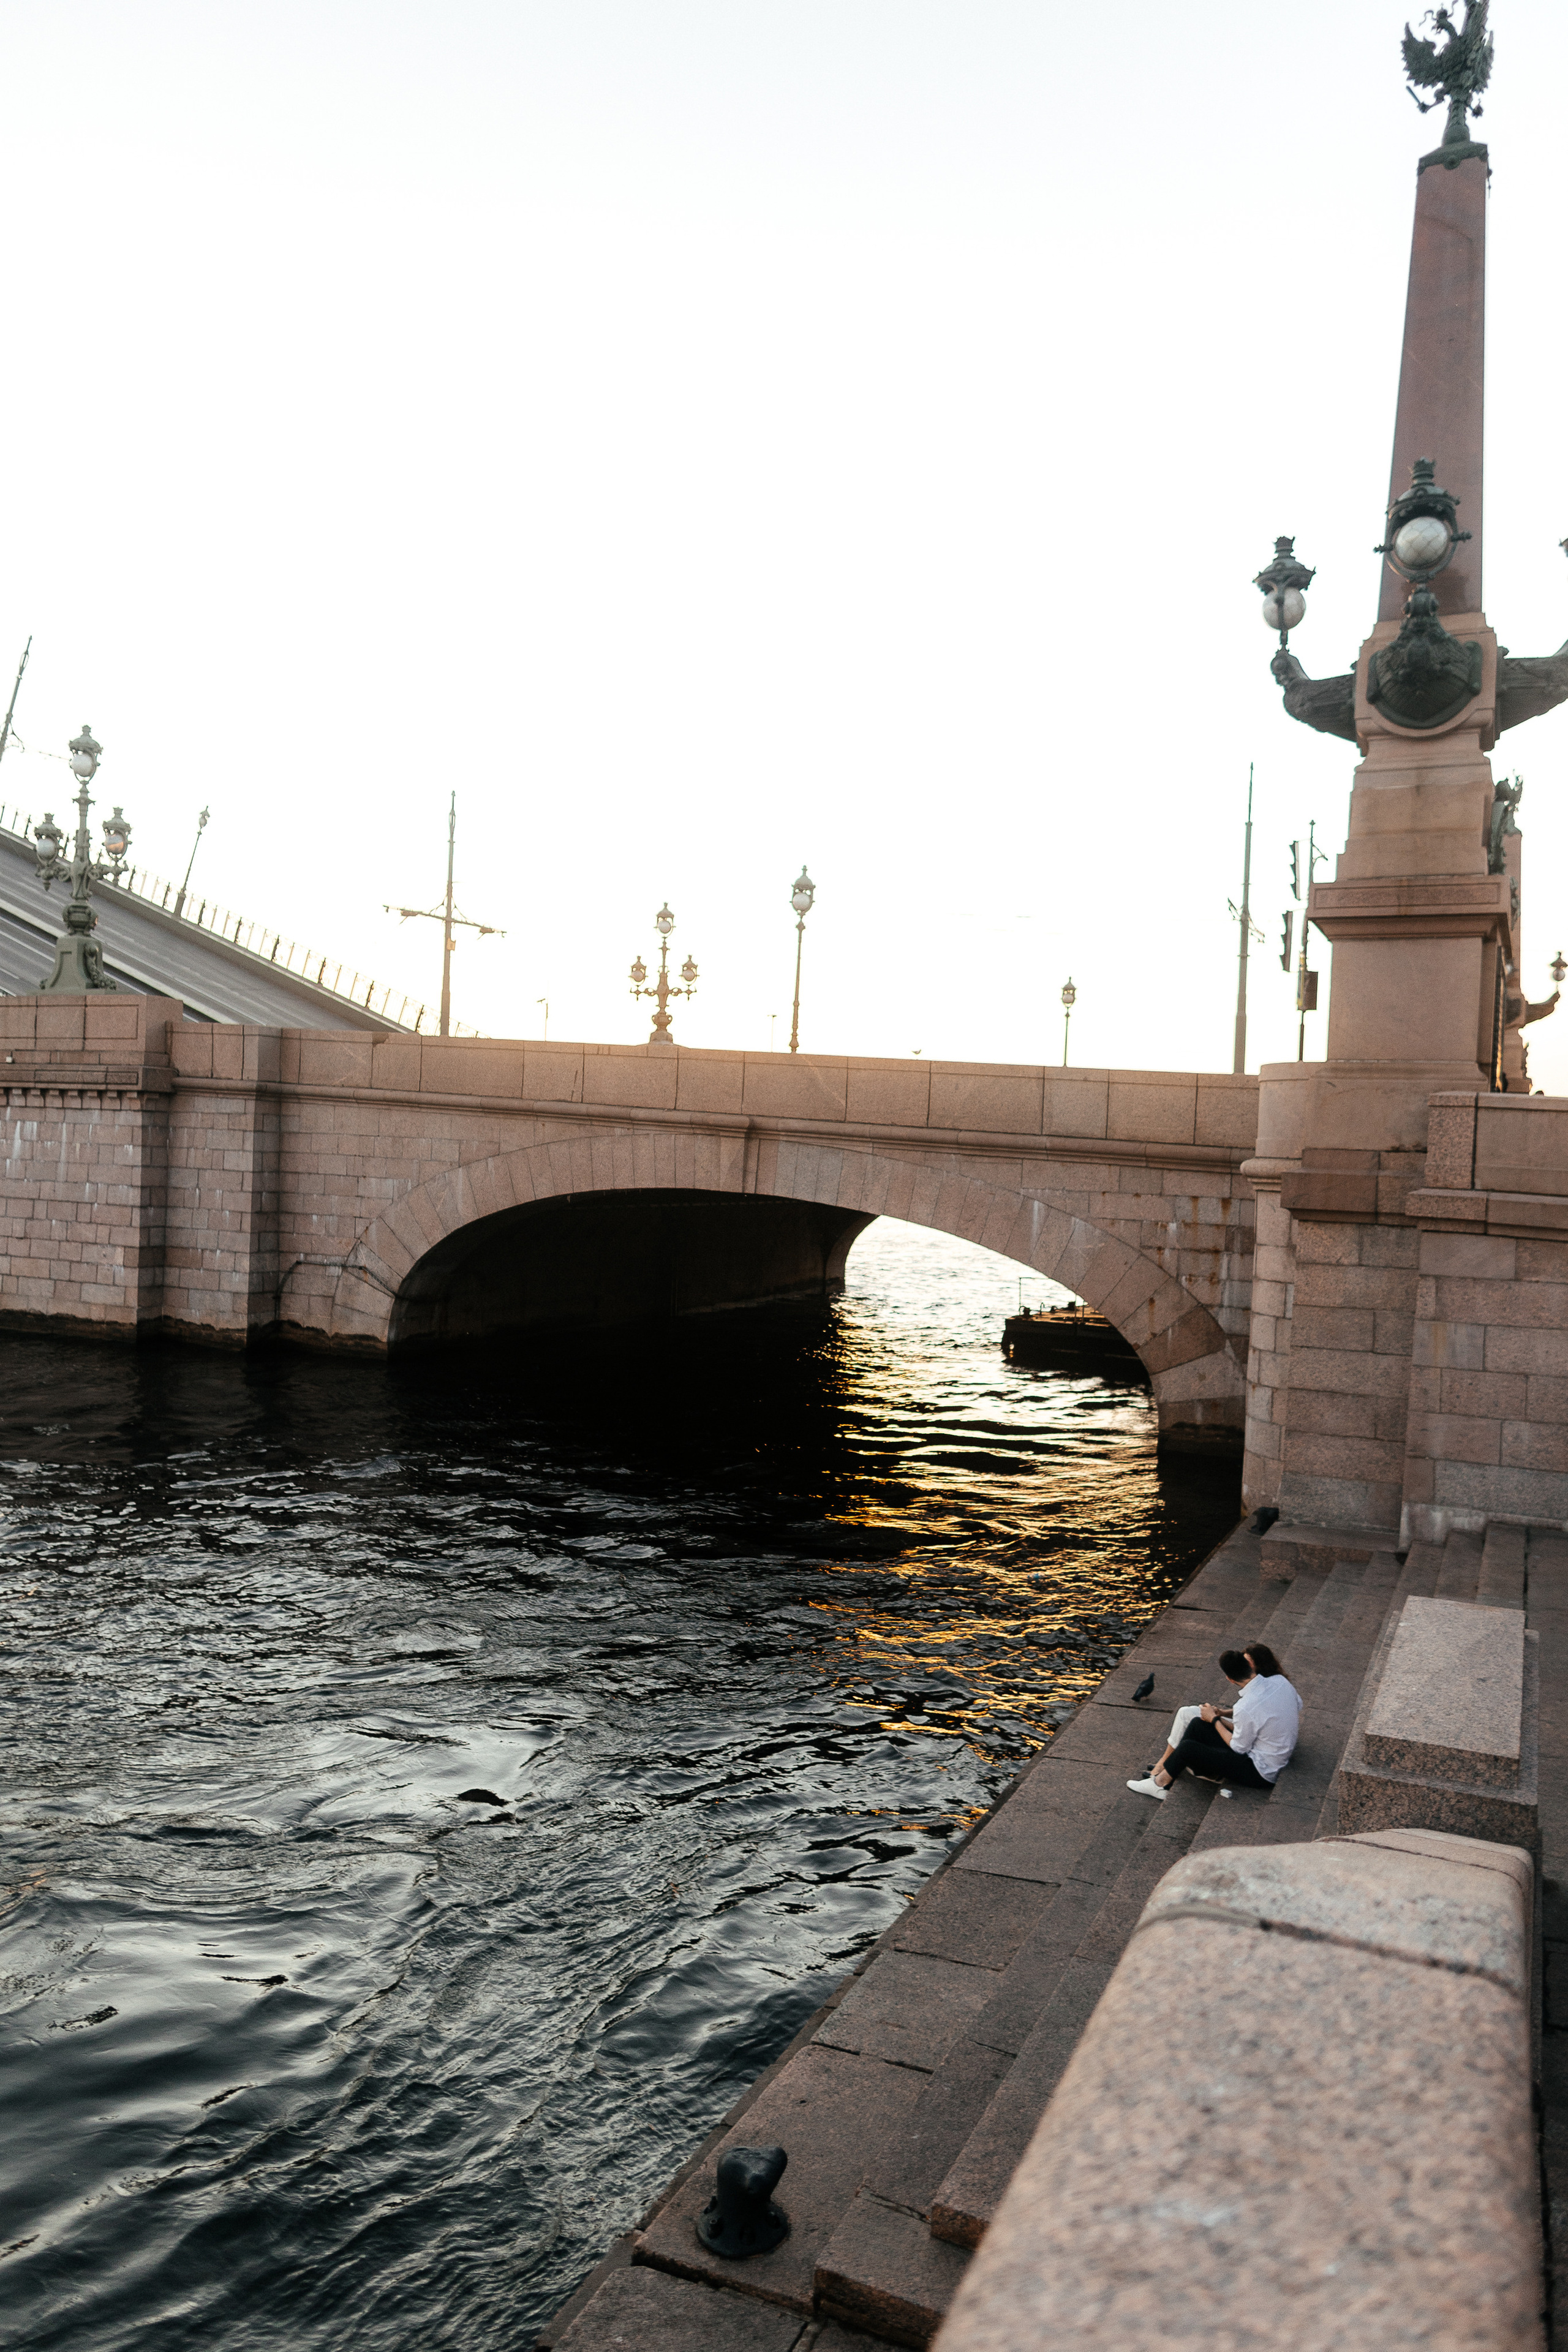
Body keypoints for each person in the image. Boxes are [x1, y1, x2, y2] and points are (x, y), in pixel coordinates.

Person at [1126, 1642, 1300, 1802]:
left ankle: (1158, 1784)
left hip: (1261, 1771)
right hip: (1272, 1749)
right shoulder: (1280, 1682)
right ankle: (1169, 1772)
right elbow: (1291, 1704)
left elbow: (1239, 1747)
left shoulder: (1245, 1707)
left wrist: (1215, 1719)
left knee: (1188, 1747)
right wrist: (1220, 1715)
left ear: (1229, 1679)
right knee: (1197, 1724)